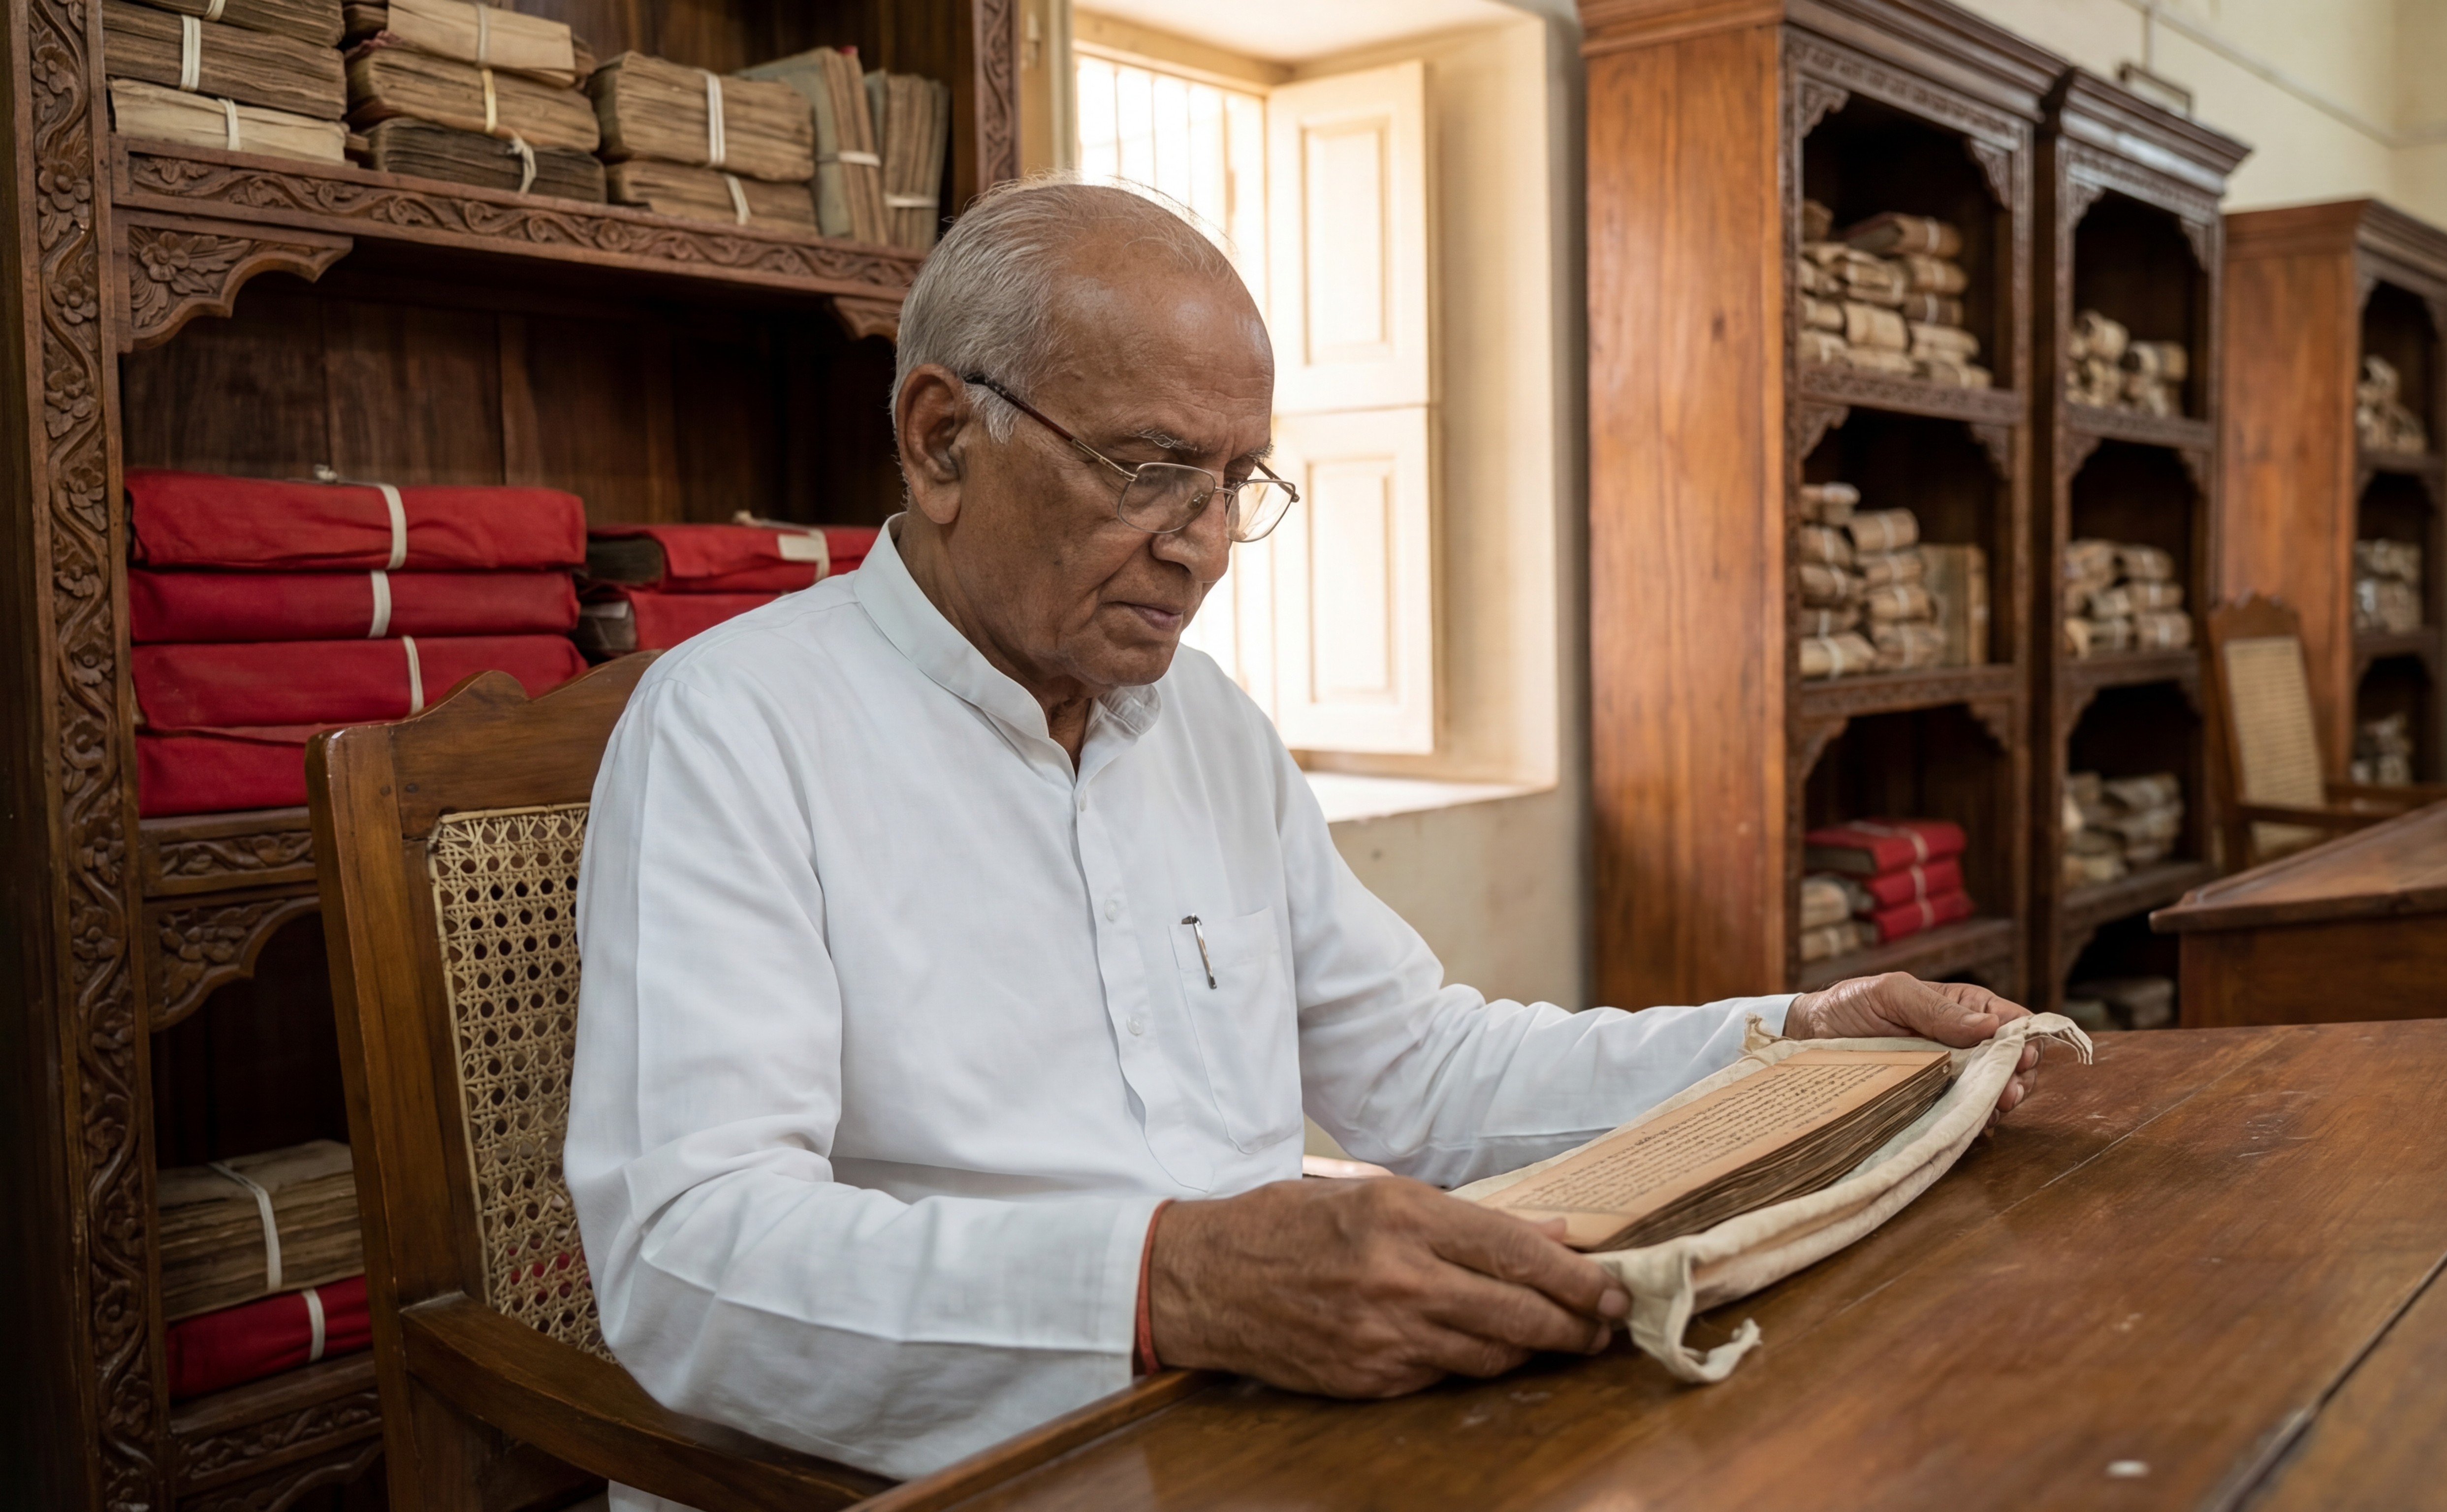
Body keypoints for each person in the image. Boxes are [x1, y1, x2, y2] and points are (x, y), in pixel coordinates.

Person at [564, 179, 2040, 1502]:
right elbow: (692, 1267)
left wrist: (1794, 1039)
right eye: (1149, 469)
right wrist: (1169, 1287)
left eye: (1234, 483)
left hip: (1268, 1421)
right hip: (973, 1454)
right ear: (942, 439)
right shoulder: (735, 728)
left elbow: (1425, 1070)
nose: (1203, 544)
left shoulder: (1200, 722)